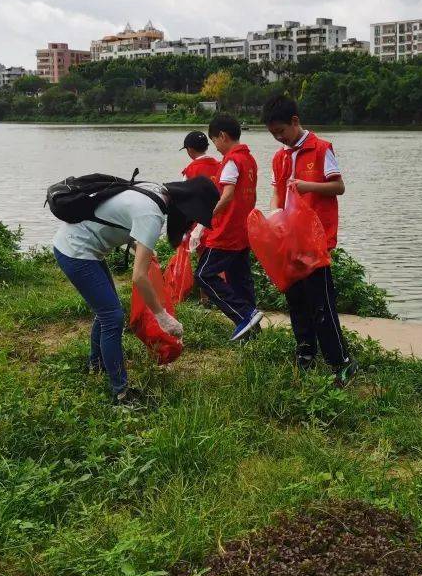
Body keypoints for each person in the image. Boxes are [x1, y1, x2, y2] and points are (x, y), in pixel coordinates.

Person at [52, 176, 218, 406]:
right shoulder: (152, 214)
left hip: (81, 245)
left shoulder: (152, 188)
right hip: (76, 251)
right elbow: (139, 277)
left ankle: (96, 365)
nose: (190, 223)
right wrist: (163, 317)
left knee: (107, 312)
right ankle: (121, 393)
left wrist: (141, 248)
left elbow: (119, 217)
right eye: (193, 217)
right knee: (112, 317)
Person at [260, 94, 357, 387]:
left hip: (315, 243)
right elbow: (277, 192)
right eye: (274, 135)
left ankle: (340, 360)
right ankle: (305, 352)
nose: (280, 139)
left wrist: (306, 186)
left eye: (282, 132)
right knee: (296, 301)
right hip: (289, 242)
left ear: (295, 121)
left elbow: (338, 187)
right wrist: (273, 217)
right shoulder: (280, 158)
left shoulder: (321, 148)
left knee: (321, 304)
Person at [195, 113, 263, 341]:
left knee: (204, 275)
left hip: (226, 232)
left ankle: (244, 314)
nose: (215, 147)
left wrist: (205, 217)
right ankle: (252, 335)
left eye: (214, 141)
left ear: (222, 136)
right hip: (243, 231)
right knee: (239, 280)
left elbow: (227, 195)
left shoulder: (232, 160)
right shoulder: (249, 159)